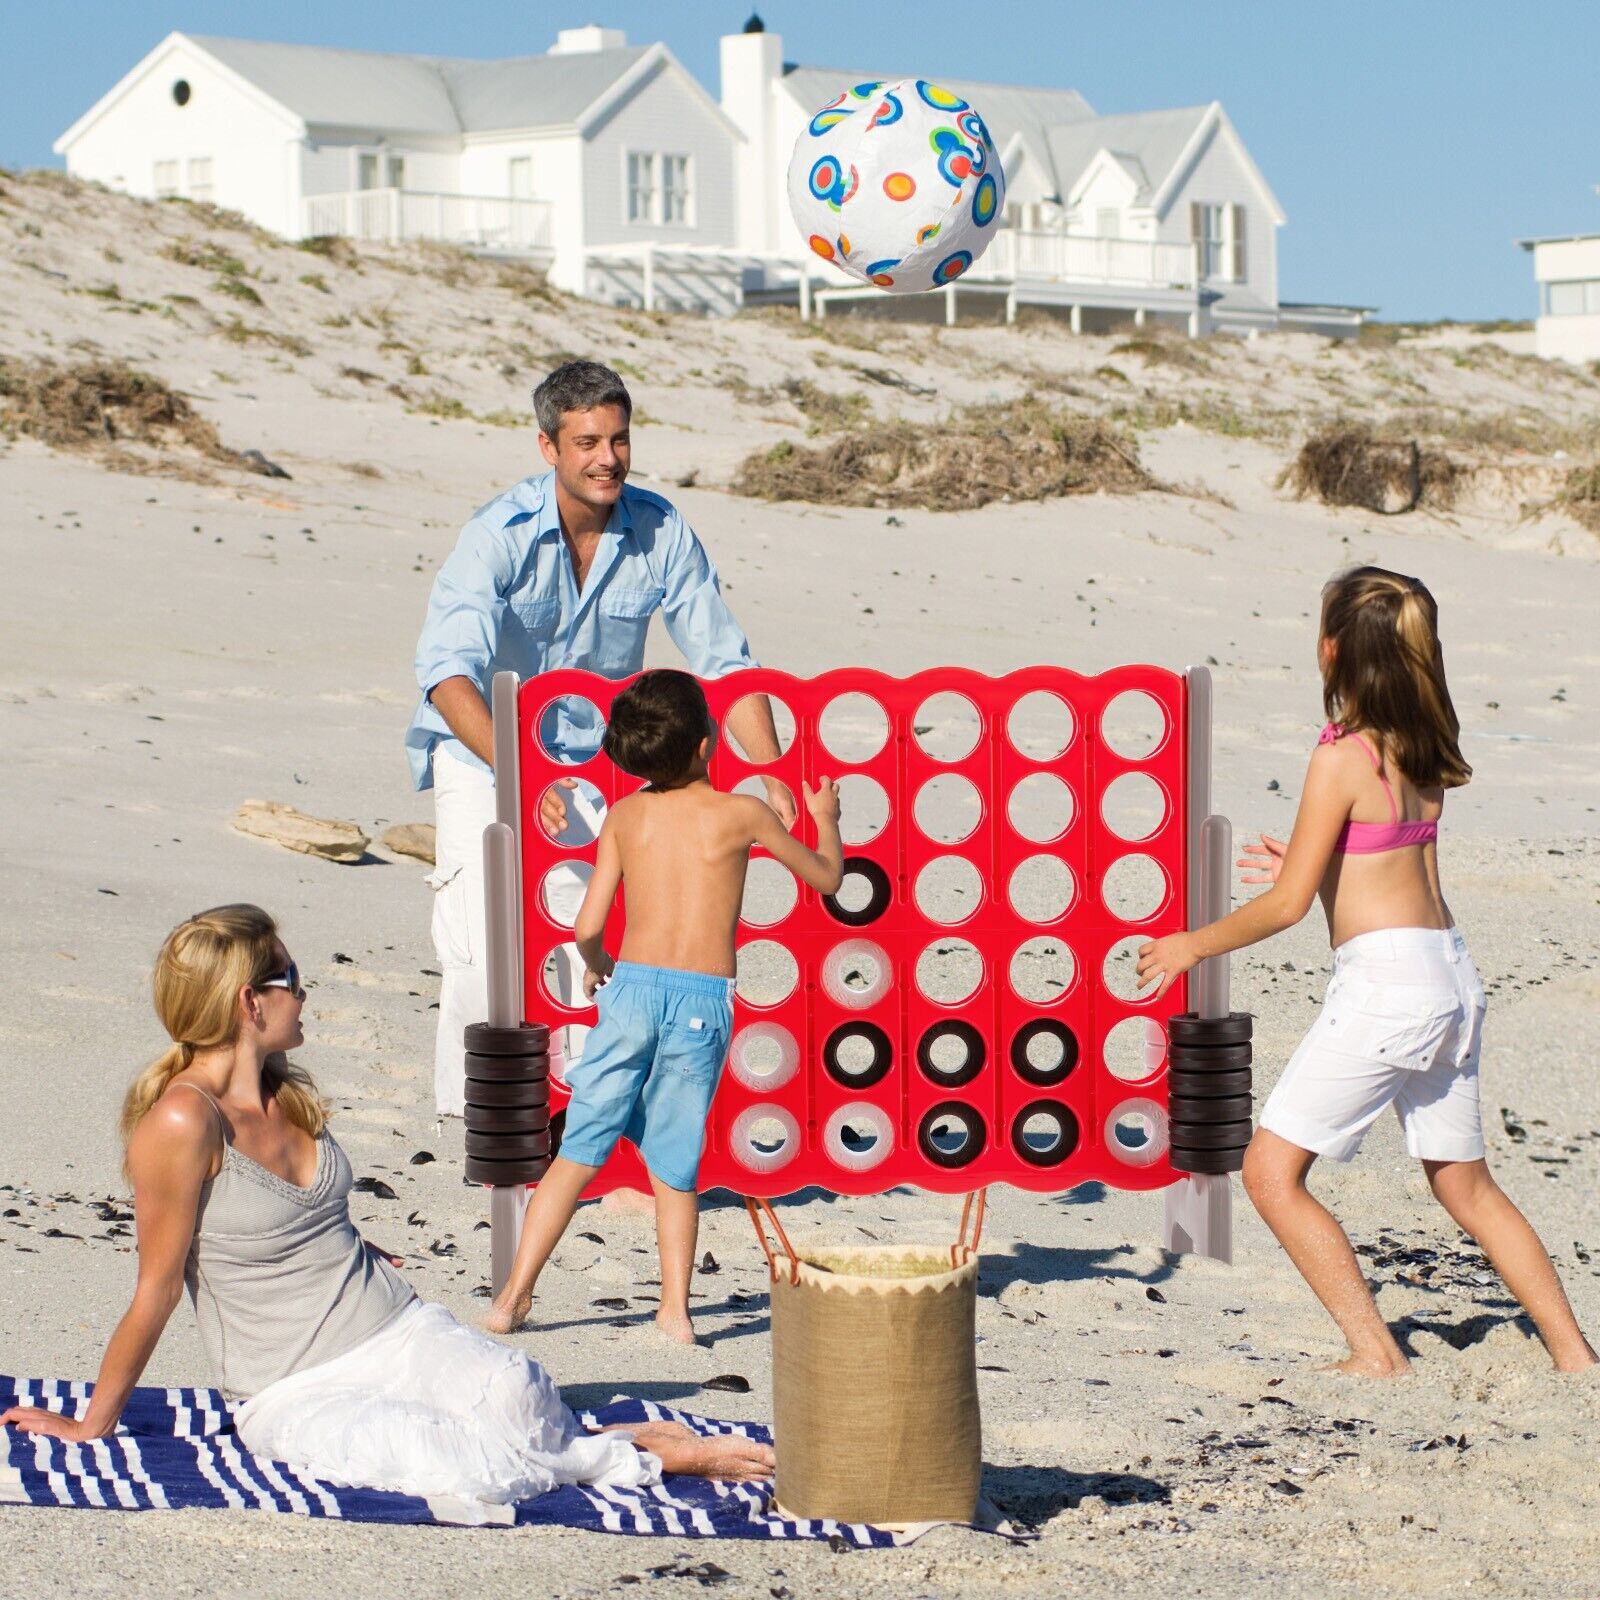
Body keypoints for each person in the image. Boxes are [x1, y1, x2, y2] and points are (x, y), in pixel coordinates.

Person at [0, 905, 774, 1512]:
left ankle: (609, 1446)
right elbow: (157, 1288)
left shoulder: (284, 1092)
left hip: (393, 1328)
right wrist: (92, 1424)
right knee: (456, 1468)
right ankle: (641, 1453)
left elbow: (307, 1227)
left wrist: (358, 1254)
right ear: (247, 1001)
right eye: (290, 977)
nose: (304, 992)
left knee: (520, 1392)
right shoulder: (182, 1121)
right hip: (292, 1385)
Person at [1137, 567, 1595, 1377]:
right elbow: (1391, 869)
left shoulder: (1342, 756)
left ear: (1332, 651)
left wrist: (1193, 945)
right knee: (1467, 1187)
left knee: (1270, 1174)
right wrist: (1317, 864)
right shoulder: (1424, 746)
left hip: (1388, 989)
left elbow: (1285, 906)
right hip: (1450, 975)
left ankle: (1374, 1352)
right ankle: (1575, 1356)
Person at [406, 359, 791, 1118]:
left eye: (618, 440)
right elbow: (446, 675)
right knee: (484, 946)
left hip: (592, 762)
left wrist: (773, 771)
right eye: (586, 442)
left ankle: (587, 1124)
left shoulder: (660, 528)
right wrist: (520, 773)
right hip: (487, 752)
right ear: (549, 448)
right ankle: (488, 1131)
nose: (607, 459)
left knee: (594, 937)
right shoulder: (496, 535)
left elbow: (725, 661)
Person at [485, 671, 843, 1344]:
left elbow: (588, 926)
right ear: (707, 742)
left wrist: (599, 965)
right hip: (701, 1002)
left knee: (577, 1153)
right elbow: (826, 877)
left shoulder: (625, 816)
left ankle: (512, 1297)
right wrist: (826, 818)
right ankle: (674, 1312)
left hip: (631, 993)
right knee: (675, 1166)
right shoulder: (743, 813)